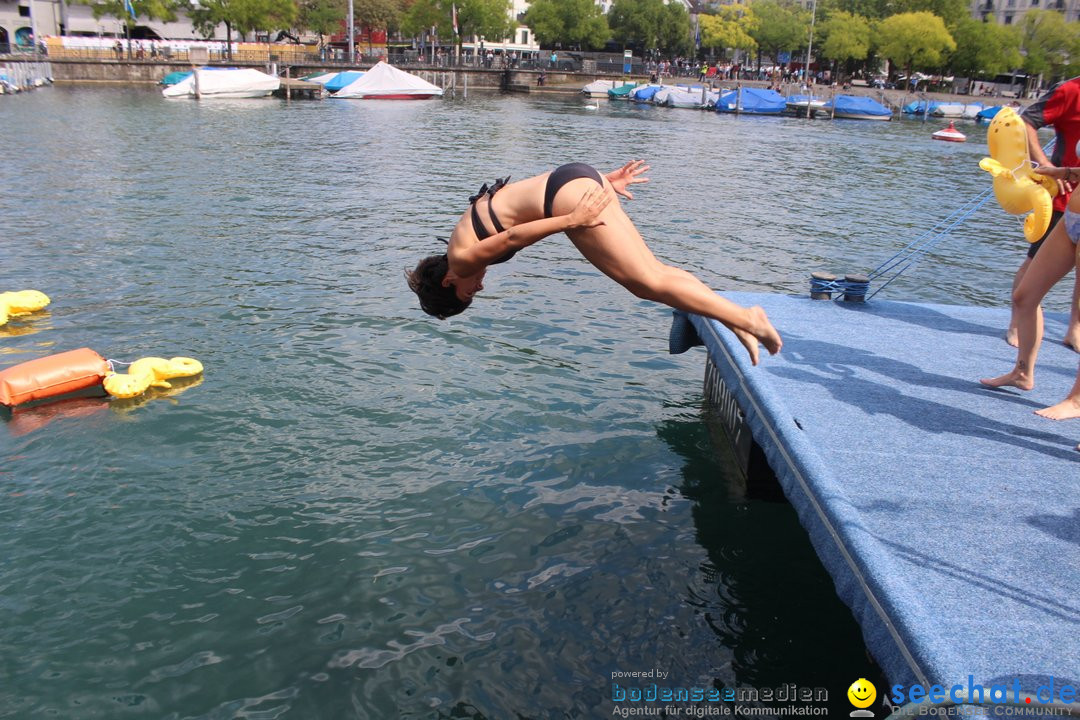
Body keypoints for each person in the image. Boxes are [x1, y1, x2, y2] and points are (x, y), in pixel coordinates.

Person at [405, 161, 783, 366]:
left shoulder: (461, 257)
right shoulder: (462, 234)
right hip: (574, 179)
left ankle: (748, 319)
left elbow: (514, 237)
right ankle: (737, 320)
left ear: (448, 282)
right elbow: (521, 195)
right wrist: (602, 179)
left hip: (568, 198)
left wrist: (572, 219)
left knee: (645, 282)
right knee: (655, 273)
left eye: (469, 294)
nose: (479, 289)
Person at [981, 164, 1080, 418]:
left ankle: (1077, 401)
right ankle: (1022, 373)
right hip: (1073, 216)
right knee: (1025, 297)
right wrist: (1067, 173)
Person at [1006, 78, 1080, 350]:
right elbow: (1026, 122)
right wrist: (1045, 164)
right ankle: (1016, 324)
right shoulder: (1070, 90)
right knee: (1034, 262)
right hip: (1061, 198)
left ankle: (1075, 328)